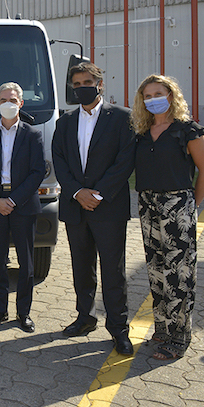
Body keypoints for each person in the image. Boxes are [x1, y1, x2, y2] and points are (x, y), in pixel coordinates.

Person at [52, 61, 135, 355]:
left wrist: (98, 194)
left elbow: (125, 160)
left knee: (113, 271)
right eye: (77, 84)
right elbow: (59, 160)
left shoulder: (122, 118)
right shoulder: (65, 122)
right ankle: (85, 318)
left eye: (87, 82)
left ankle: (119, 329)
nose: (82, 88)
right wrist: (77, 192)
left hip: (108, 207)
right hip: (76, 207)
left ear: (99, 84)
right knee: (81, 267)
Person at [131, 74, 204, 361]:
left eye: (158, 94)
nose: (153, 99)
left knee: (179, 273)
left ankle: (180, 336)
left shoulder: (187, 130)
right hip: (147, 204)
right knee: (156, 269)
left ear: (171, 96)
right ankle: (163, 329)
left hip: (178, 206)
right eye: (147, 96)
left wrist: (190, 206)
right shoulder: (141, 133)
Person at [0, 82, 46, 333]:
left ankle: (23, 313)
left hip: (23, 204)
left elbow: (38, 171)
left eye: (13, 100)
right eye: (4, 100)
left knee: (26, 263)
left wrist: (13, 200)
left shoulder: (33, 134)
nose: (8, 104)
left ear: (21, 104)